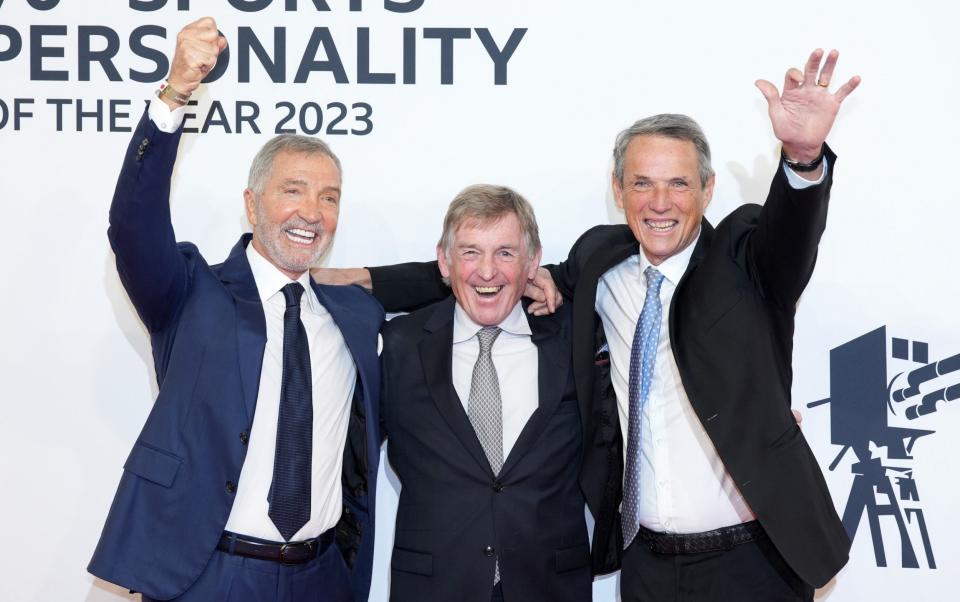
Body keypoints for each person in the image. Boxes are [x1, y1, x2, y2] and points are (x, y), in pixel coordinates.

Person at [326, 49, 860, 601]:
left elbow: (791, 237)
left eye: (678, 184)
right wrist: (364, 279)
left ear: (707, 189)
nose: (659, 203)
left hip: (754, 559)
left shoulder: (746, 257)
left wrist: (802, 157)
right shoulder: (600, 261)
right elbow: (493, 273)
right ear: (618, 188)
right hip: (647, 563)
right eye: (642, 183)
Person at [88, 18, 383, 602]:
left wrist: (539, 277)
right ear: (253, 204)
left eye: (329, 197)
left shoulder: (354, 316)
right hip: (208, 576)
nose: (312, 212)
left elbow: (447, 278)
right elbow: (133, 225)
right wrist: (174, 95)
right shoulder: (190, 291)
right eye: (293, 190)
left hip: (322, 577)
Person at [380, 185, 591, 602]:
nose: (488, 271)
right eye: (471, 252)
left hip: (550, 586)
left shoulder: (576, 340)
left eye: (506, 253)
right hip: (434, 585)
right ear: (444, 259)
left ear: (533, 261)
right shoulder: (399, 343)